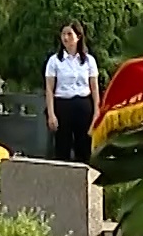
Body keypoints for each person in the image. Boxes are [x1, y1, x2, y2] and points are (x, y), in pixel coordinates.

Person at [44, 22, 102, 164]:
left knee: (84, 147)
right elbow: (49, 89)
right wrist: (51, 114)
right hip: (63, 104)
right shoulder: (55, 61)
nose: (66, 38)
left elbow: (94, 88)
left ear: (78, 36)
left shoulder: (89, 61)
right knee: (62, 148)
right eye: (63, 34)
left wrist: (96, 112)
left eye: (70, 34)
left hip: (83, 104)